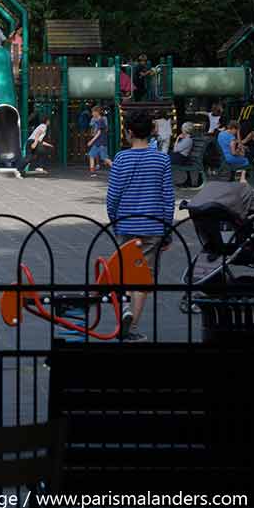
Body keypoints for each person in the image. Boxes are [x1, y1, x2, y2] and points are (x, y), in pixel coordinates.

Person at [105, 111, 174, 342]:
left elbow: (113, 196)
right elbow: (167, 198)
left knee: (124, 269)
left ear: (129, 133)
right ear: (152, 131)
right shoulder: (162, 159)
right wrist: (167, 230)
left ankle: (124, 307)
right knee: (144, 275)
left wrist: (115, 221)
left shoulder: (121, 159)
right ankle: (132, 325)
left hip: (126, 223)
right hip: (153, 225)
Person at [86, 105, 112, 177]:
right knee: (91, 155)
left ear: (97, 112)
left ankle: (117, 169)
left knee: (105, 158)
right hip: (97, 143)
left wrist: (91, 141)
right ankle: (92, 172)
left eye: (93, 112)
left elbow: (99, 133)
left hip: (101, 142)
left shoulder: (101, 120)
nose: (92, 114)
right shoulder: (97, 120)